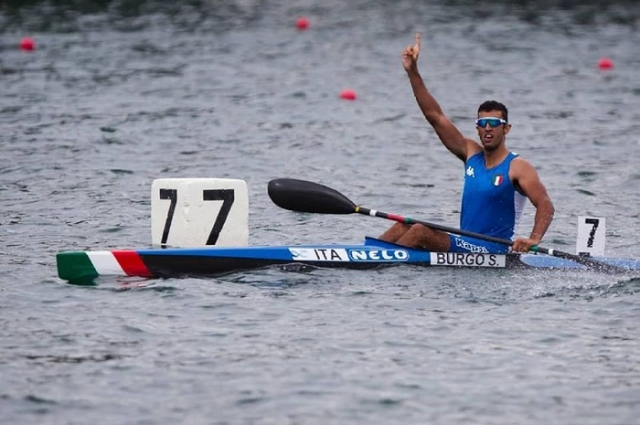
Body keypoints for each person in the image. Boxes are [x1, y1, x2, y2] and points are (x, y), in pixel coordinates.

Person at [380, 33, 555, 254]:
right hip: (467, 244)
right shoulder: (471, 153)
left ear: (506, 128)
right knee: (403, 225)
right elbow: (435, 117)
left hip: (495, 250)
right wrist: (412, 71)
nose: (488, 128)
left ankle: (378, 265)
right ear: (478, 128)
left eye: (494, 122)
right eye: (483, 123)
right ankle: (360, 256)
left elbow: (546, 205)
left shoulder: (518, 167)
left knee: (420, 231)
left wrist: (534, 239)